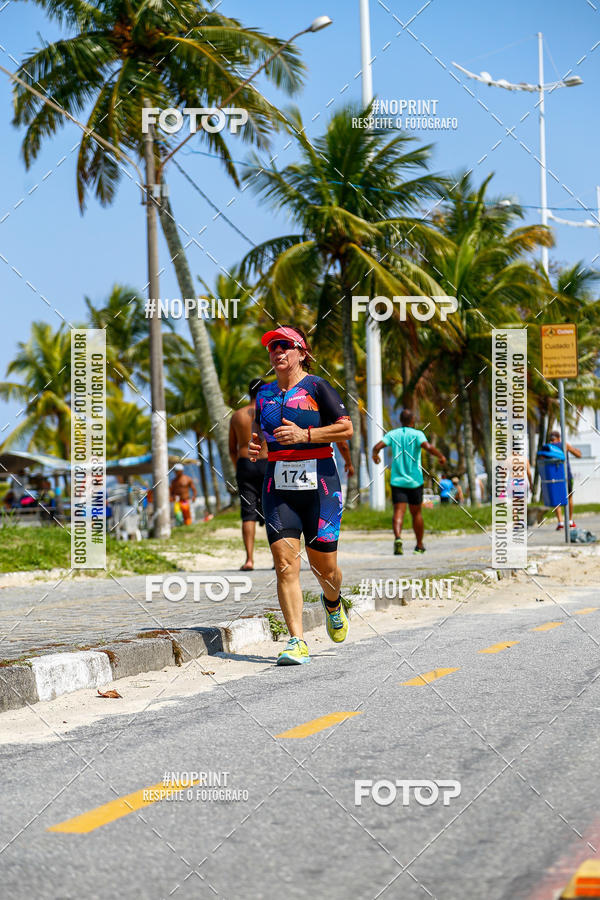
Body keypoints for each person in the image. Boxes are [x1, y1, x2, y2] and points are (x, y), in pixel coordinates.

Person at [248, 325, 353, 666]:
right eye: (272, 348)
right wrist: (255, 446)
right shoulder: (263, 394)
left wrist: (306, 434)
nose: (277, 352)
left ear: (301, 352)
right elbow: (259, 436)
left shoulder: (317, 386)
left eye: (284, 346)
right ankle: (296, 640)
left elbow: (346, 428)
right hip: (277, 485)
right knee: (284, 565)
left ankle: (333, 603)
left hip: (321, 483)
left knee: (326, 569)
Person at [372, 409, 446, 555]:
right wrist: (441, 456)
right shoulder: (418, 434)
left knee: (398, 512)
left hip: (397, 481)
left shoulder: (393, 434)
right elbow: (428, 447)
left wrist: (375, 456)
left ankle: (398, 538)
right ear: (412, 420)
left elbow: (376, 447)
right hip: (415, 481)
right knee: (416, 514)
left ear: (401, 420)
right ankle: (419, 545)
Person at [229, 378, 268, 570]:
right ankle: (277, 561)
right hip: (267, 462)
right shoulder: (270, 411)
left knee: (248, 513)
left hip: (245, 464)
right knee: (273, 511)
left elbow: (232, 448)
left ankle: (249, 560)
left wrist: (241, 467)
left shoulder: (237, 415)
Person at [549, 430, 581, 529]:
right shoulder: (564, 445)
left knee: (557, 499)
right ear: (559, 438)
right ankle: (570, 521)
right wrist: (575, 450)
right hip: (566, 475)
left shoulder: (549, 447)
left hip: (555, 476)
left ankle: (560, 522)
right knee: (570, 497)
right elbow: (579, 455)